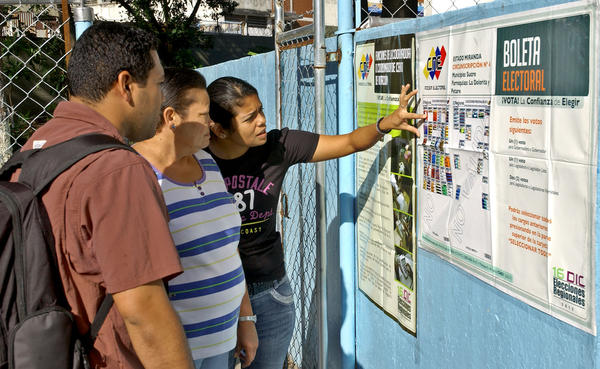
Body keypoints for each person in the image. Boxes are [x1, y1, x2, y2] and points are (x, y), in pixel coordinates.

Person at [206, 77, 425, 369]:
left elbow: (348, 142)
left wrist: (386, 123)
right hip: (214, 295)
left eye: (260, 110)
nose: (262, 120)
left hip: (269, 293)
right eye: (250, 117)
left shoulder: (278, 146)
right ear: (219, 129)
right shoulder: (196, 160)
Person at [15, 22, 194, 369]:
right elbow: (145, 315)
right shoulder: (118, 169)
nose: (160, 101)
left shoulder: (35, 148)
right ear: (126, 85)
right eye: (157, 85)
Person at [134, 68, 259, 369]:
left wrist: (245, 319)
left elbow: (227, 250)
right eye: (203, 115)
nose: (211, 124)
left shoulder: (207, 163)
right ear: (171, 118)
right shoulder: (137, 174)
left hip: (222, 338)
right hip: (175, 349)